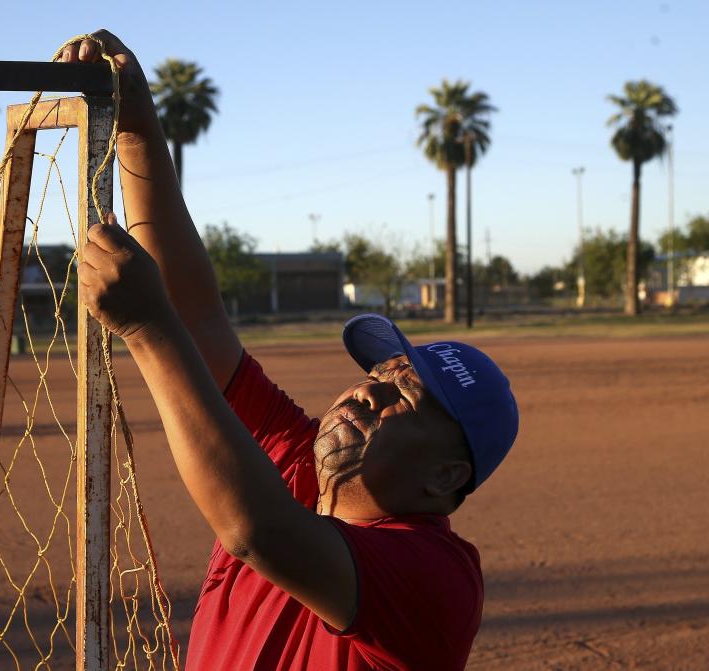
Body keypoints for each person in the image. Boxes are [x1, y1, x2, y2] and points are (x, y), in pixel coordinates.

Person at [61, 31, 519, 671]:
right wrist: (138, 124)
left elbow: (257, 530)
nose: (365, 390)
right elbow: (198, 317)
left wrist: (145, 329)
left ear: (445, 476)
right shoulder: (297, 464)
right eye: (377, 374)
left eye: (399, 397)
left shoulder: (437, 575)